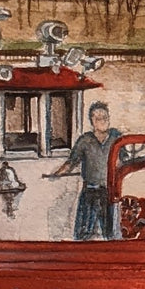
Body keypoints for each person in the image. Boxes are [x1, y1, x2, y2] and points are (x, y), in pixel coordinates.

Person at [45, 102, 122, 240]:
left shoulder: (116, 139)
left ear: (109, 118)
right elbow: (72, 162)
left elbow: (125, 161)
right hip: (90, 192)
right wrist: (56, 174)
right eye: (97, 118)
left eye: (104, 117)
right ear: (92, 121)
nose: (101, 121)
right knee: (83, 233)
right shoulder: (85, 140)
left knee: (111, 234)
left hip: (109, 192)